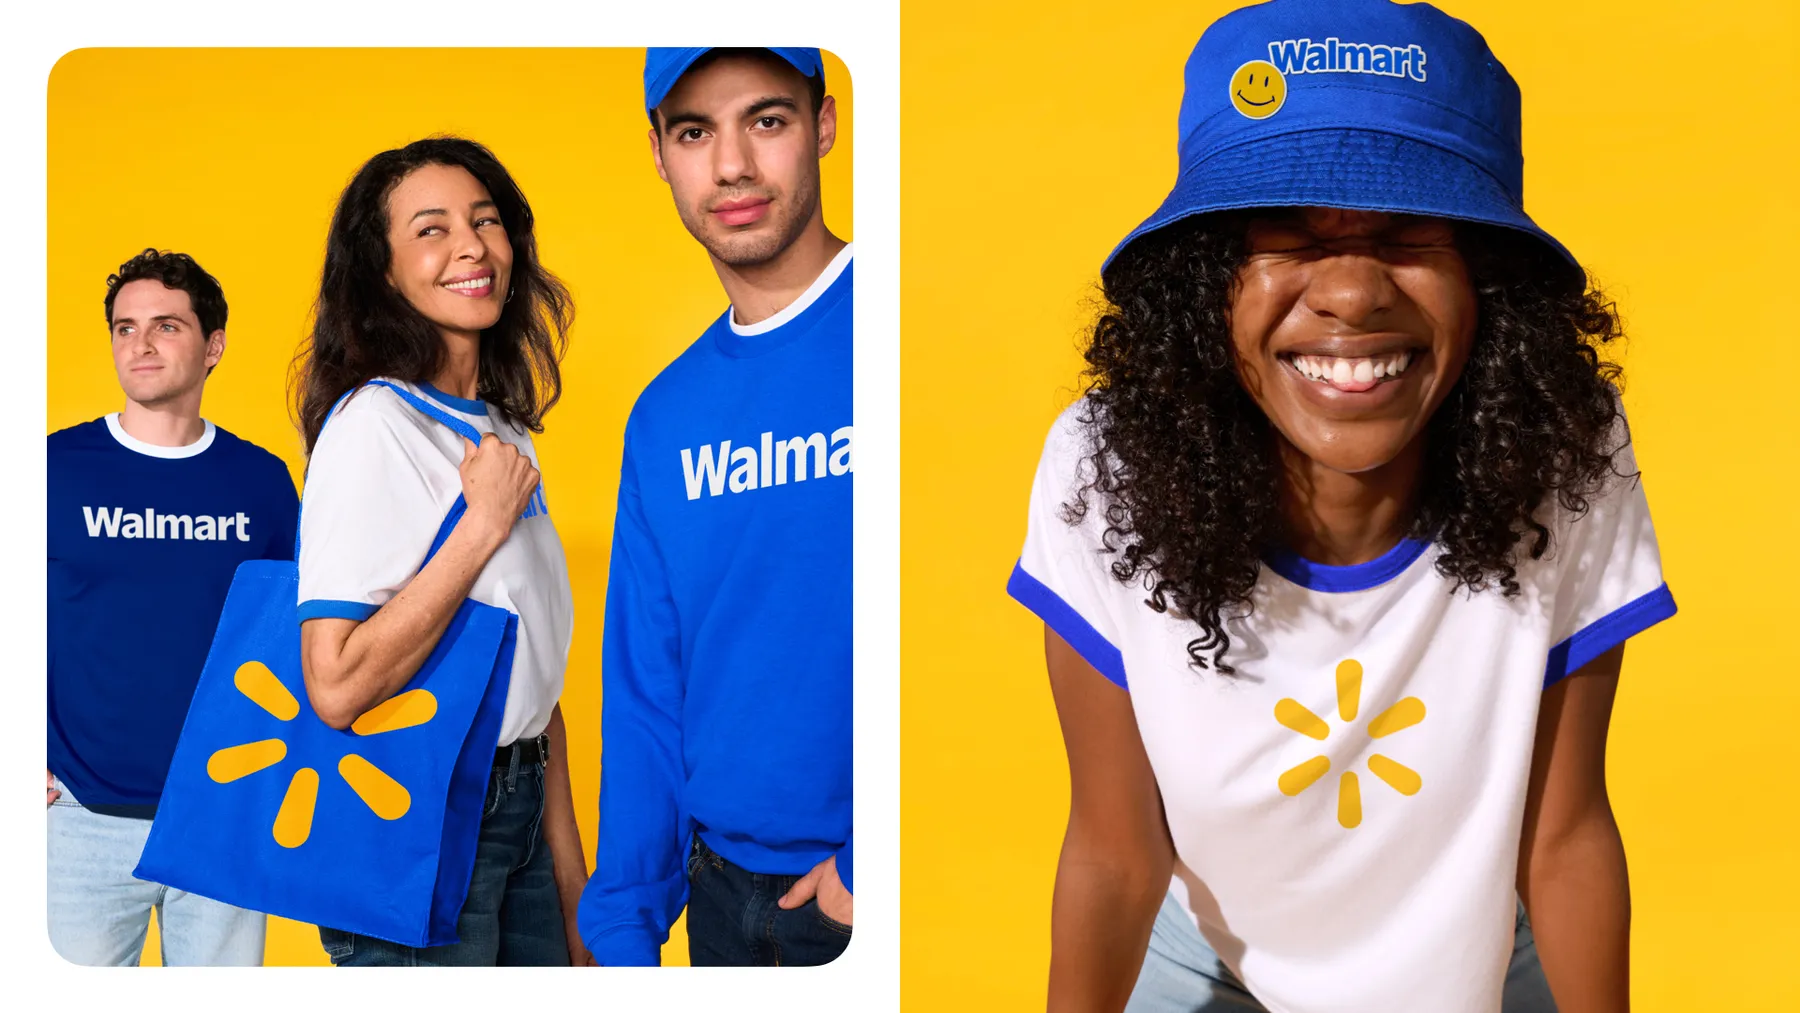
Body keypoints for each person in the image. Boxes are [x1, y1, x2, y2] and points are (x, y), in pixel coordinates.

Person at [1006, 2, 1674, 1011]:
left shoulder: (1563, 449)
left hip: (1494, 956)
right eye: (1287, 231)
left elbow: (1566, 830)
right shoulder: (1103, 467)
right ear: (1205, 277)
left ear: (1488, 281)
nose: (1353, 293)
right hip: (1203, 964)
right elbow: (1113, 850)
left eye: (1408, 232)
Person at [577, 47, 853, 967]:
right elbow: (647, 684)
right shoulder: (666, 415)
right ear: (660, 153)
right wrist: (621, 921)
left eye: (766, 121)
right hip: (718, 902)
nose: (731, 165)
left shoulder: (900, 323)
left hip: (866, 899)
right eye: (696, 131)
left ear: (823, 126)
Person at [290, 136, 587, 966]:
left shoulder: (504, 431)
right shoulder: (372, 426)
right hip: (418, 810)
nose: (471, 246)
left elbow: (537, 686)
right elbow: (336, 683)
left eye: (485, 220)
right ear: (382, 271)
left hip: (521, 807)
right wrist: (480, 526)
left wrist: (573, 885)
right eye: (431, 229)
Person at [48, 249, 298, 965]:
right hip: (78, 819)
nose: (141, 344)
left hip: (222, 813)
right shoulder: (52, 468)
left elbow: (294, 631)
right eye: (125, 329)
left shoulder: (261, 479)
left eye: (165, 325)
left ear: (213, 344)